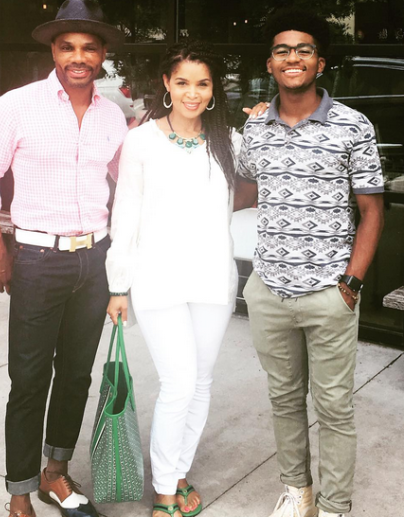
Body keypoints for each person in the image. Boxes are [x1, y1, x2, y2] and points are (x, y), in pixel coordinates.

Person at [0, 1, 127, 516]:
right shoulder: (18, 105)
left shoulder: (113, 114)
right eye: (67, 46)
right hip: (37, 258)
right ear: (54, 51)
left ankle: (54, 473)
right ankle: (19, 493)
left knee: (77, 374)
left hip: (95, 260)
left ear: (102, 54)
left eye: (88, 47)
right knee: (29, 379)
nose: (78, 56)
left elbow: (131, 182)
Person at [235, 8, 384, 517]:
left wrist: (351, 282)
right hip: (269, 289)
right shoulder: (255, 127)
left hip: (328, 293)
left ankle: (336, 505)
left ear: (320, 62)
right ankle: (298, 492)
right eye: (282, 50)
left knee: (335, 408)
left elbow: (371, 210)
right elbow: (240, 186)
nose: (292, 57)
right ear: (270, 63)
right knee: (284, 399)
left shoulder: (353, 125)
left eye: (303, 49)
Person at [106, 41, 242, 517]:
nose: (192, 93)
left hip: (212, 280)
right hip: (158, 280)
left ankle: (179, 471)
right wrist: (118, 285)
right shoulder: (142, 141)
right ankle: (165, 492)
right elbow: (125, 215)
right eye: (182, 82)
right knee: (179, 382)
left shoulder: (231, 140)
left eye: (202, 84)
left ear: (212, 89)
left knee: (201, 382)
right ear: (166, 84)